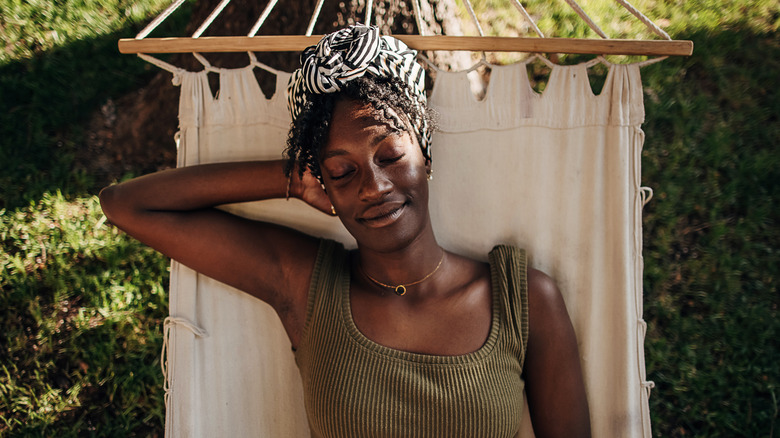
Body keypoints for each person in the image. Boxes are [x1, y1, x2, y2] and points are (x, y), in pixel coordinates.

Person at [100, 25, 590, 438]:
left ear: (426, 153)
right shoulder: (305, 284)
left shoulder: (521, 297)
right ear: (324, 188)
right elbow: (127, 205)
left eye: (391, 156)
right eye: (342, 172)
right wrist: (291, 177)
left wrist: (332, 170)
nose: (374, 187)